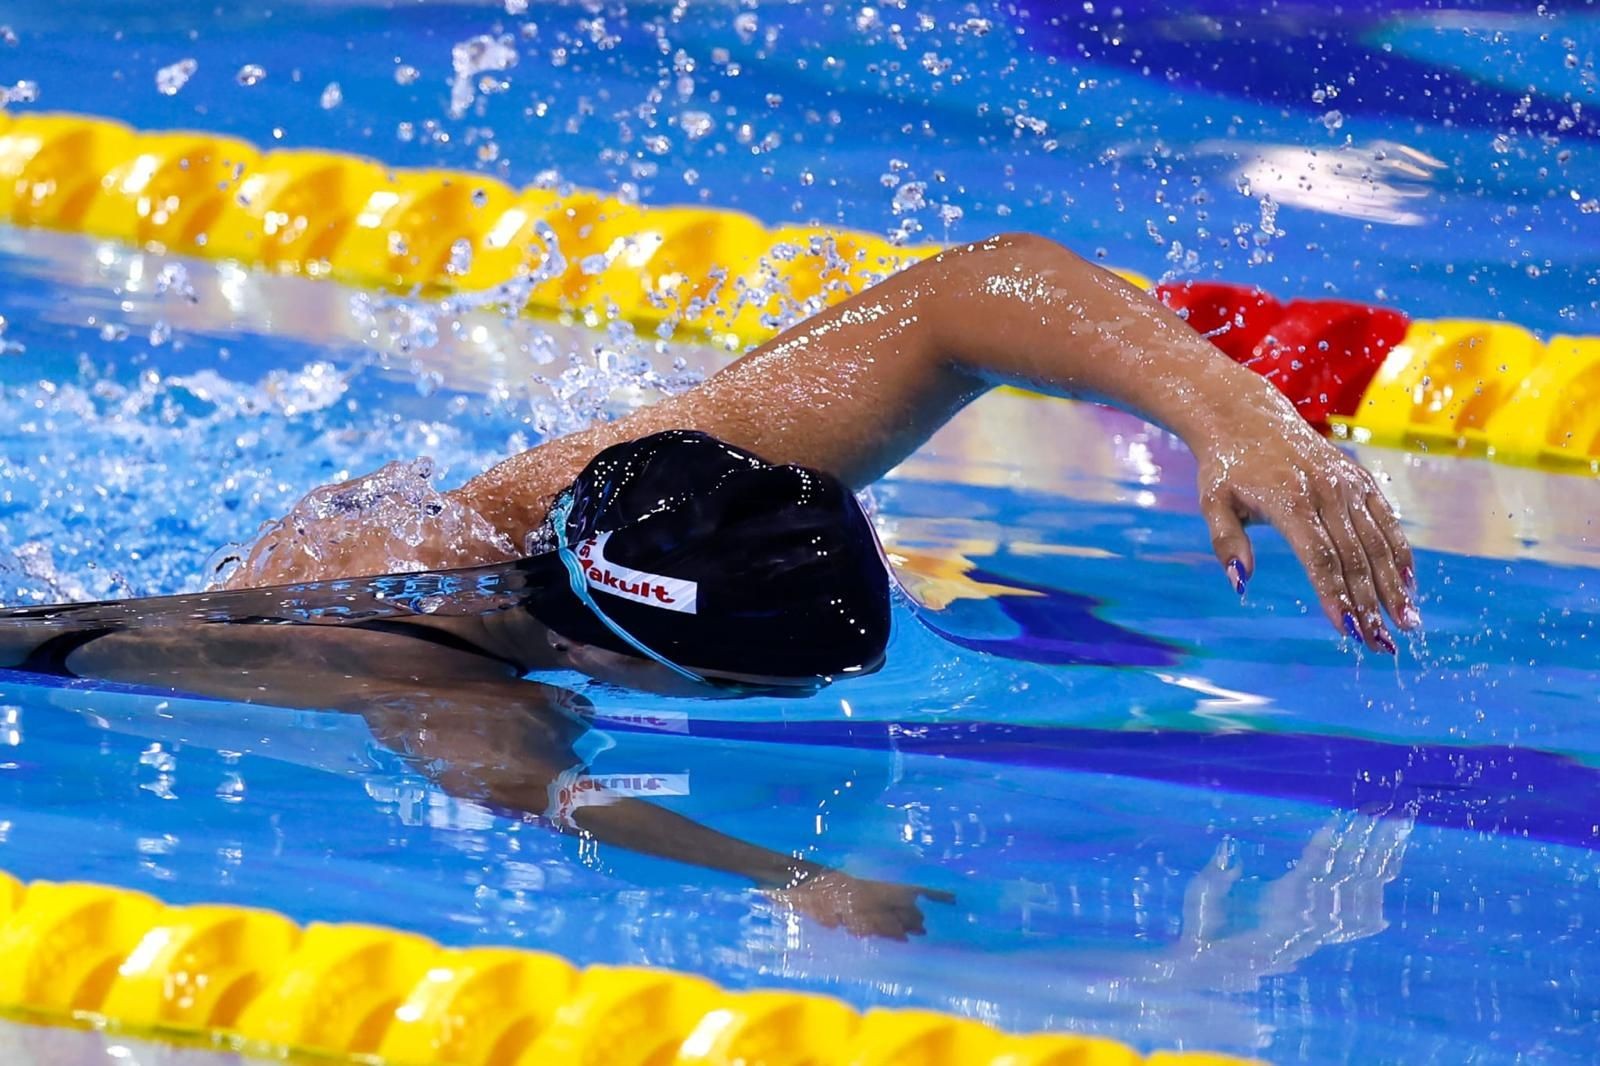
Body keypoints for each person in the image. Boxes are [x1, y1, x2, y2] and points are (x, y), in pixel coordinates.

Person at [0, 232, 1420, 938]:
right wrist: (791, 875)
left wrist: (1236, 412)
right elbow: (562, 801)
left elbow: (968, 294)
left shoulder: (622, 483)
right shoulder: (444, 684)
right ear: (648, 662)